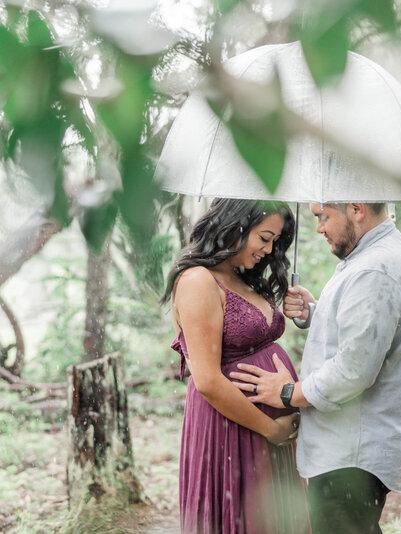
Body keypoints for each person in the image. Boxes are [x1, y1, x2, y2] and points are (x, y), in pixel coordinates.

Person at [230, 202, 401, 534]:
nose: (319, 228)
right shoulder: (374, 254)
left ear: (356, 209)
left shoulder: (374, 269)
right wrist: (314, 313)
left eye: (324, 217)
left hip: (352, 452)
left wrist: (288, 392)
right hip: (349, 446)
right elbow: (368, 335)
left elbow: (353, 371)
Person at [162, 197, 310, 534]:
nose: (269, 249)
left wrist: (303, 308)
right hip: (232, 427)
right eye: (264, 237)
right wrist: (270, 429)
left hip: (270, 429)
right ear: (236, 224)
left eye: (275, 241)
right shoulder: (199, 280)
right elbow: (208, 381)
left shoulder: (243, 277)